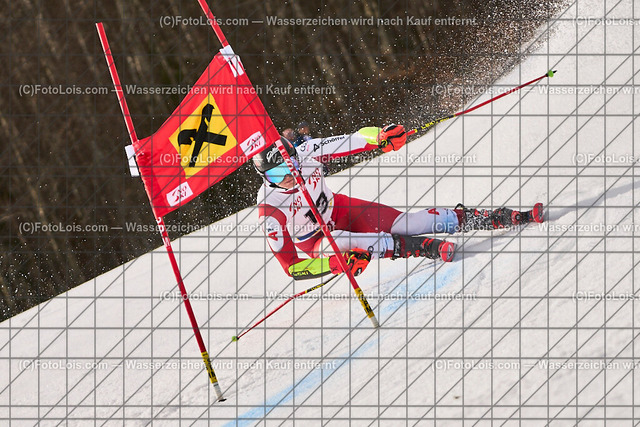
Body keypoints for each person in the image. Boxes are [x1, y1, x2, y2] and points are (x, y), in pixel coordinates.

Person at [253, 124, 544, 279]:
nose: (288, 175)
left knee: (408, 223)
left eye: (290, 164)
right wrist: (335, 264)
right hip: (317, 240)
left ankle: (495, 217)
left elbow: (355, 139)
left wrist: (381, 136)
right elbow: (292, 267)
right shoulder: (270, 209)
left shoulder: (307, 152)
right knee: (346, 242)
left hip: (340, 209)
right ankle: (424, 248)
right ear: (265, 176)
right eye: (277, 173)